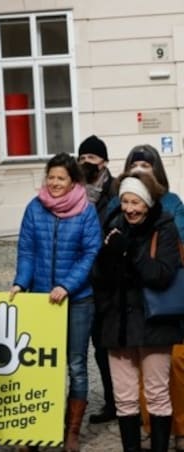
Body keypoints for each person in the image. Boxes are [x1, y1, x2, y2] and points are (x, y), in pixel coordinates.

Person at [9, 152, 101, 452]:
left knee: (75, 365)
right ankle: (35, 427)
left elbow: (90, 254)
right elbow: (26, 250)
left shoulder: (86, 211)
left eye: (61, 178)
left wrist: (67, 285)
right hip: (40, 300)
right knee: (39, 366)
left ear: (73, 181)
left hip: (78, 301)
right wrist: (21, 281)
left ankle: (71, 431)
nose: (55, 183)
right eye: (51, 177)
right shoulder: (34, 209)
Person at [90, 170, 184, 452]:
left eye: (136, 202)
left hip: (154, 324)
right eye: (126, 202)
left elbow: (163, 274)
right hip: (117, 325)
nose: (130, 208)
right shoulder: (113, 223)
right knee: (125, 399)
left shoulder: (164, 227)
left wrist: (130, 252)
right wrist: (108, 256)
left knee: (156, 396)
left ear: (147, 201)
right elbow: (98, 277)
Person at [77, 135, 118, 425]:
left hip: (107, 280)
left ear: (103, 161)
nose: (86, 162)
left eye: (92, 157)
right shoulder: (74, 193)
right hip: (81, 282)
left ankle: (116, 401)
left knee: (107, 346)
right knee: (84, 348)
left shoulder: (114, 191)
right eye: (83, 158)